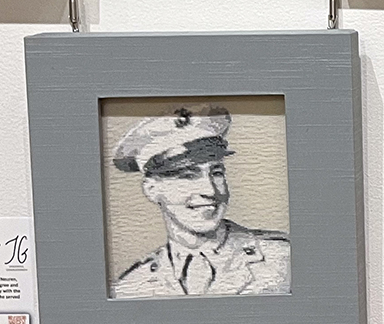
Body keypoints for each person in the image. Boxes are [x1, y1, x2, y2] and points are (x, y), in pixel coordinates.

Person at [110, 105, 290, 299]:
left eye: (216, 173)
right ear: (151, 190)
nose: (210, 190)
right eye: (188, 176)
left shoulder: (283, 259)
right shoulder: (132, 286)